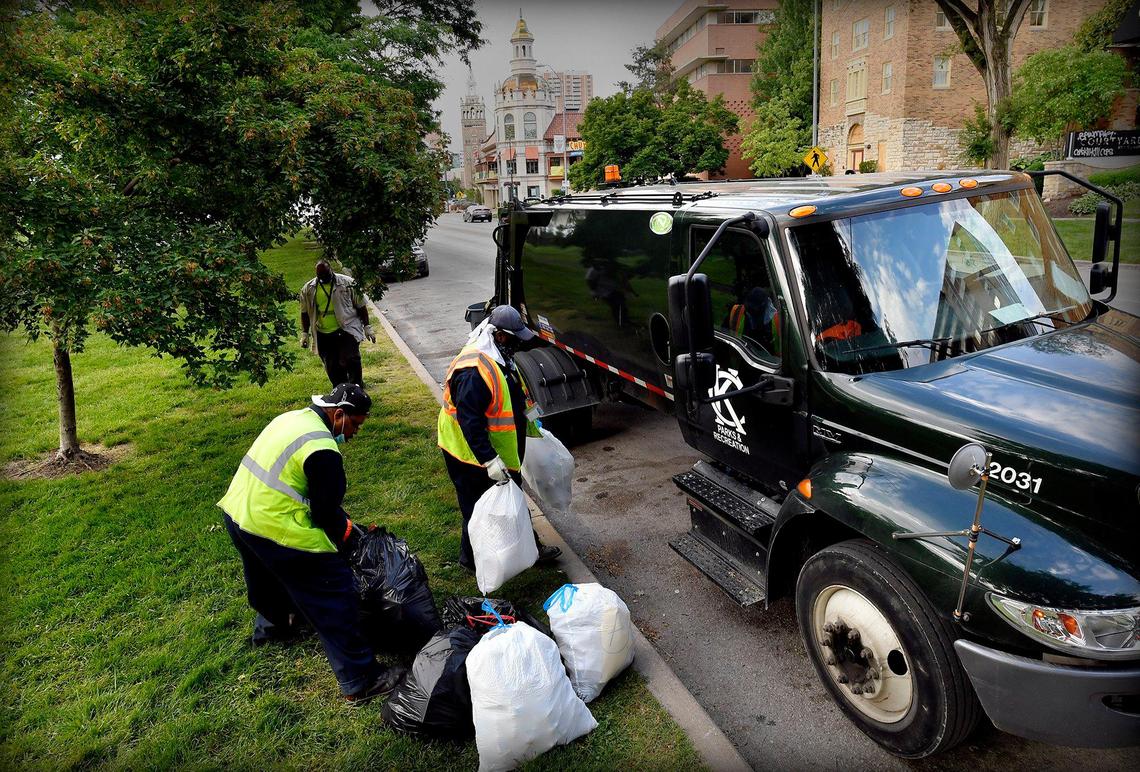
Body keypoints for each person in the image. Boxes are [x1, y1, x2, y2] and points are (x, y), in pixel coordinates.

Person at [218, 383, 404, 704]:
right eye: (356, 424)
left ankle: (274, 627)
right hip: (273, 526)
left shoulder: (292, 419)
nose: (356, 433)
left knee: (266, 578)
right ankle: (361, 680)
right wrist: (351, 541)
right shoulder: (323, 450)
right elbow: (325, 512)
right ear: (339, 414)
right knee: (334, 593)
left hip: (239, 513)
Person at [436, 305, 562, 571]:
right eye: (515, 338)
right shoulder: (474, 371)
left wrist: (533, 420)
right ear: (501, 335)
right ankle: (473, 561)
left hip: (495, 451)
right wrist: (489, 460)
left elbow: (513, 393)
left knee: (511, 500)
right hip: (467, 455)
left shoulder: (499, 357)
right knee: (476, 507)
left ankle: (528, 552)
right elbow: (470, 422)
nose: (519, 344)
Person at [299, 260, 376, 388]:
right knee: (332, 366)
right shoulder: (308, 289)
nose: (324, 279)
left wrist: (367, 327)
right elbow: (304, 312)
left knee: (352, 359)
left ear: (331, 271)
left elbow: (361, 306)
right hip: (323, 332)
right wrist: (305, 334)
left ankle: (356, 389)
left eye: (326, 275)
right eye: (320, 276)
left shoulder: (348, 283)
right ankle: (341, 391)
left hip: (346, 328)